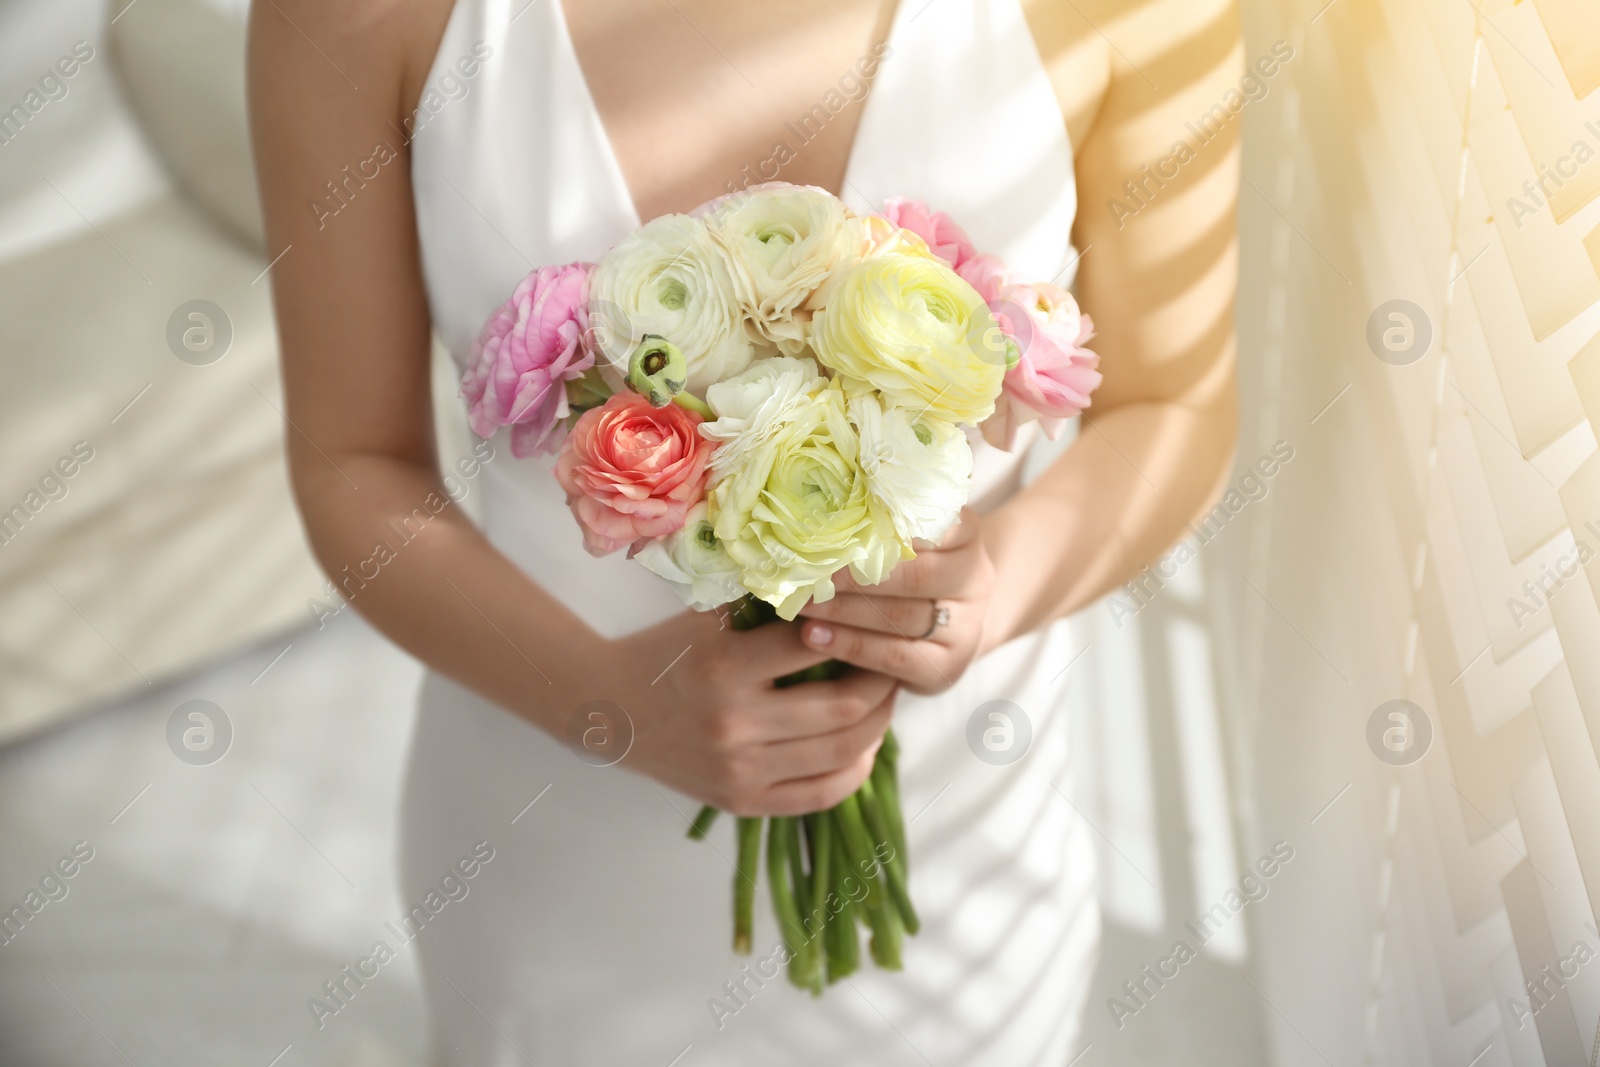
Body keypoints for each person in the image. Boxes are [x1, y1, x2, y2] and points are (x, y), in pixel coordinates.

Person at [248, 0, 1239, 1061]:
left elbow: (1172, 404)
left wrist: (998, 585)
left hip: (962, 858)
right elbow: (354, 464)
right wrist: (609, 704)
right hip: (555, 852)